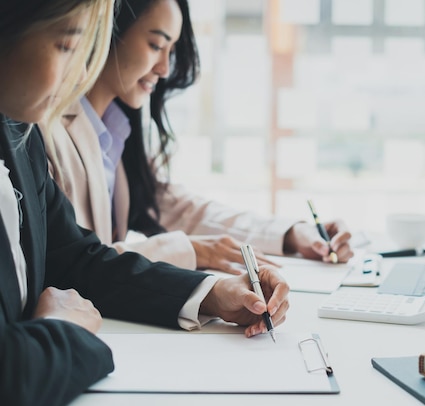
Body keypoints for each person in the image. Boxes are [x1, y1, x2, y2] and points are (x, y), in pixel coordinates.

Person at [0, 1, 289, 406]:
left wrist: (211, 294)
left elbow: (79, 259)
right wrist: (62, 331)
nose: (78, 73)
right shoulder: (41, 125)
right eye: (67, 46)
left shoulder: (18, 135)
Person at [43, 0, 354, 275]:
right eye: (155, 45)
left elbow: (183, 210)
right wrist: (194, 251)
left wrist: (292, 234)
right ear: (108, 30)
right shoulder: (45, 130)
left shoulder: (115, 132)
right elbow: (74, 263)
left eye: (171, 51)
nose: (164, 68)